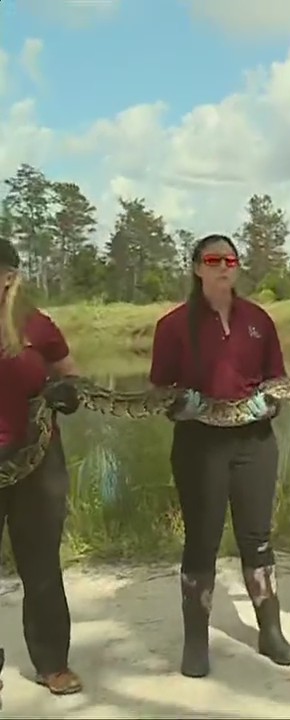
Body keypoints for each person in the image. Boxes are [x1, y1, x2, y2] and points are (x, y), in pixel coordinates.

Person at [149, 234, 290, 678]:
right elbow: (159, 391)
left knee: (257, 539)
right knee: (202, 541)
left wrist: (270, 402)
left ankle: (269, 631)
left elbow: (278, 381)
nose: (222, 266)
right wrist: (183, 404)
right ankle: (196, 640)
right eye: (213, 259)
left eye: (230, 259)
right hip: (200, 445)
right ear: (196, 267)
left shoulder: (259, 319)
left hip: (254, 442)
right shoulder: (173, 325)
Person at [0, 239, 84, 695]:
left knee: (41, 565)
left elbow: (71, 373)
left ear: (9, 277)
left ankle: (52, 663)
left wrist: (66, 391)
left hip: (36, 459)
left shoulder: (36, 325)